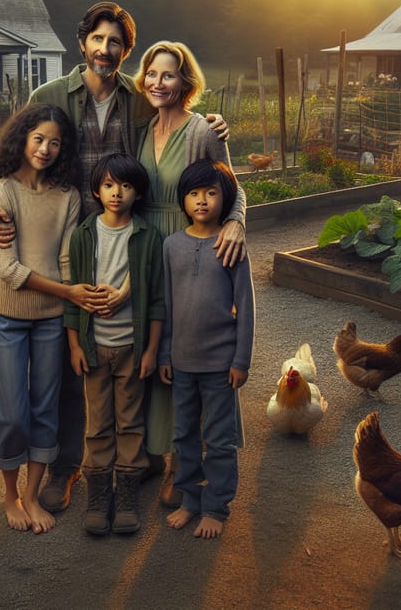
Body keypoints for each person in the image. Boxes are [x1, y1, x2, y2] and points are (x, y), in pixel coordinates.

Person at [0, 2, 239, 514]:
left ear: (126, 51)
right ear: (83, 43)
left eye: (115, 43)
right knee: (79, 359)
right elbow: (6, 157)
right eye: (98, 39)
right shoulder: (48, 96)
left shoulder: (137, 100)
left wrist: (212, 124)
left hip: (128, 236)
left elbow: (176, 117)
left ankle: (141, 455)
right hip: (69, 241)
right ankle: (69, 466)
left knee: (139, 339)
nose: (105, 50)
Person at [133, 41, 247, 506]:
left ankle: (186, 463)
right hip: (148, 246)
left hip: (189, 243)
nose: (160, 83)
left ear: (186, 83)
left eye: (170, 75)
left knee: (191, 348)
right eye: (153, 75)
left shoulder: (203, 130)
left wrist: (236, 222)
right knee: (157, 346)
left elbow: (232, 189)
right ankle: (157, 451)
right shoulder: (142, 131)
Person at [0, 102, 84, 534]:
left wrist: (67, 305)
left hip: (51, 321)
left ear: (64, 150)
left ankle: (31, 495)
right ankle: (10, 497)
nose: (45, 149)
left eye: (55, 143)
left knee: (46, 408)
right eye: (38, 139)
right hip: (8, 316)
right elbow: (9, 271)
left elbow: (65, 258)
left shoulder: (69, 197)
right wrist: (68, 292)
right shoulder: (1, 192)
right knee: (13, 412)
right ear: (23, 138)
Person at [65, 153, 165, 536]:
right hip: (93, 349)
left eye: (125, 186)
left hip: (131, 349)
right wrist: (75, 344)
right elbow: (73, 299)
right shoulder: (84, 235)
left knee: (131, 423)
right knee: (98, 424)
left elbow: (157, 299)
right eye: (108, 185)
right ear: (96, 190)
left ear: (137, 193)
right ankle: (97, 494)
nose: (116, 193)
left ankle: (125, 495)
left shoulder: (147, 237)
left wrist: (152, 350)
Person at [158, 158, 255, 539]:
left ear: (224, 198)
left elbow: (245, 307)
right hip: (181, 364)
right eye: (194, 193)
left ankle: (215, 507)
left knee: (218, 439)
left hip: (220, 366)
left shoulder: (232, 245)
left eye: (211, 193)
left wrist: (241, 360)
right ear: (184, 199)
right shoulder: (172, 246)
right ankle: (189, 501)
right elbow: (166, 304)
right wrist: (165, 354)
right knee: (183, 436)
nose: (202, 201)